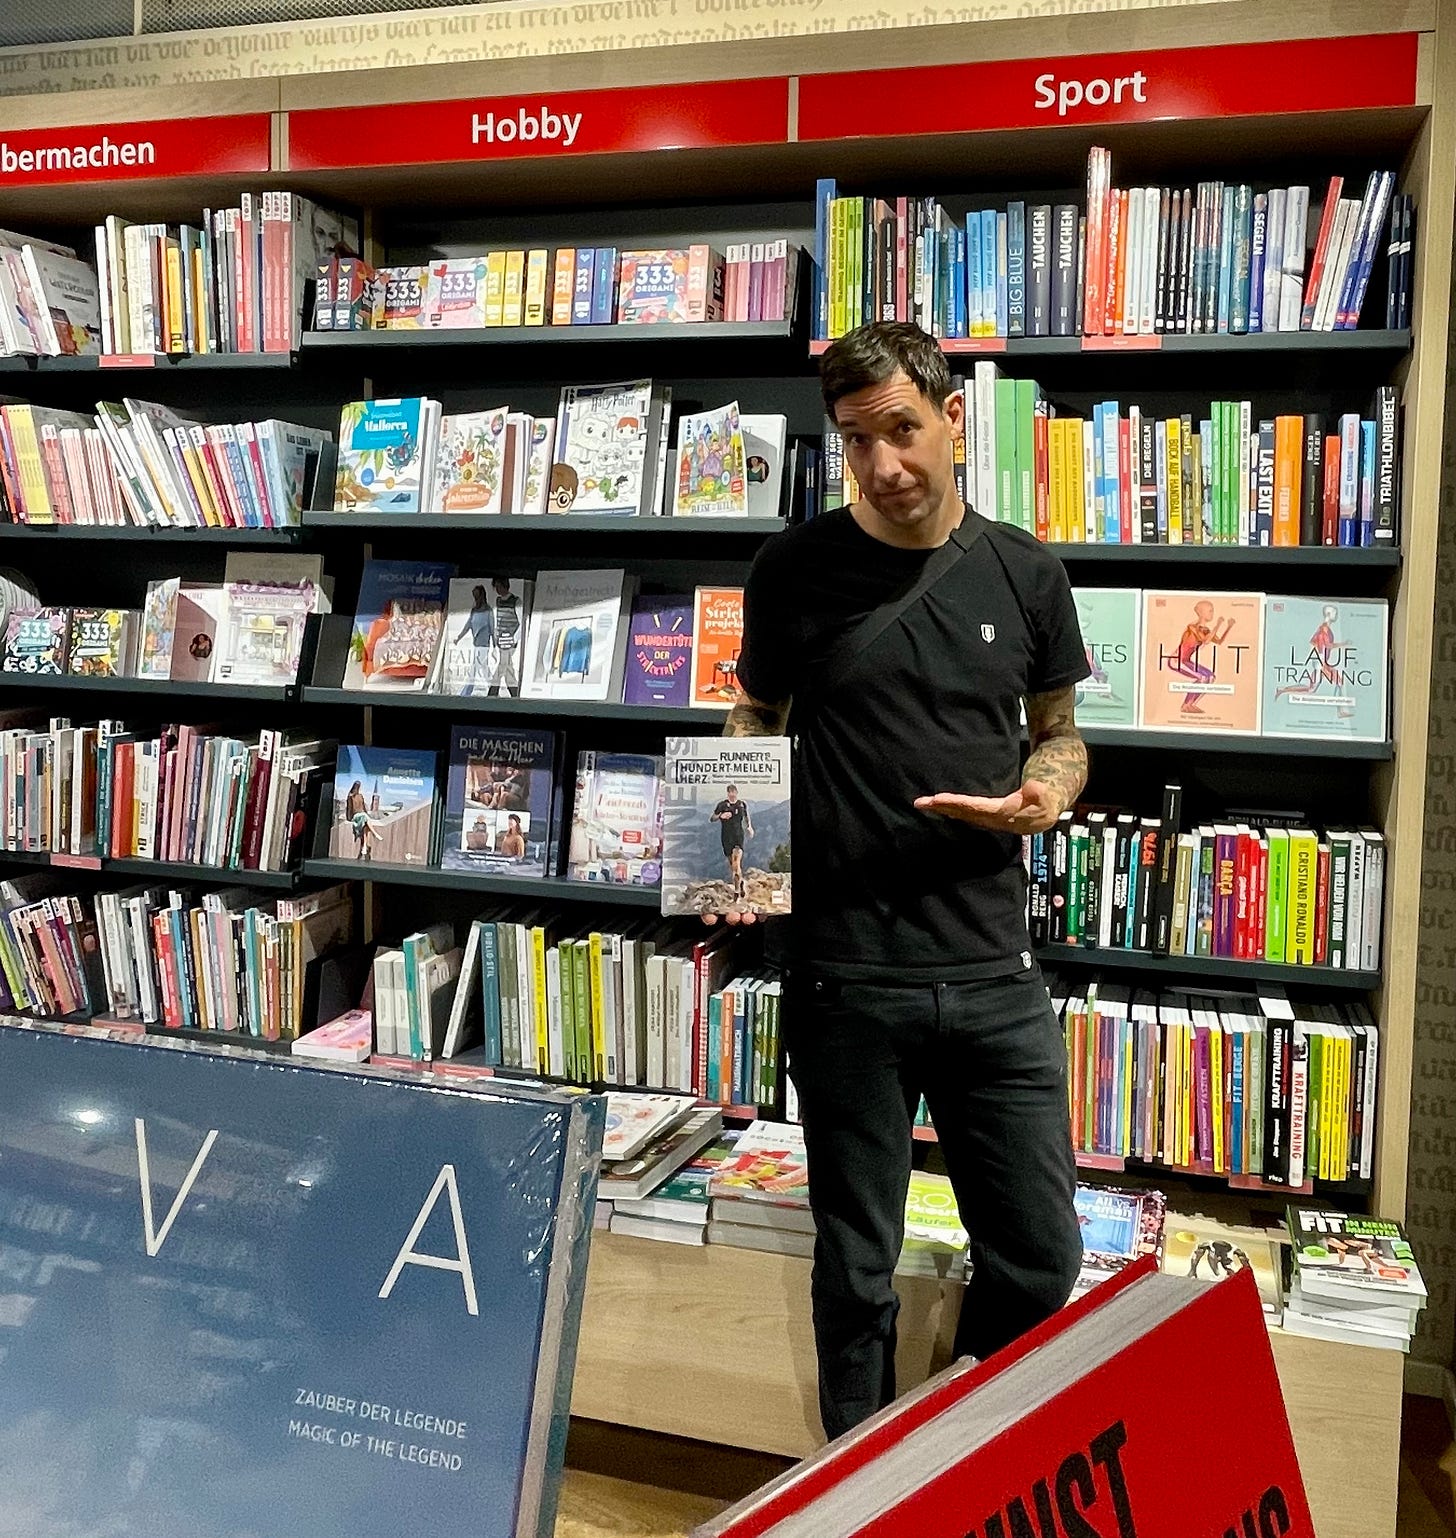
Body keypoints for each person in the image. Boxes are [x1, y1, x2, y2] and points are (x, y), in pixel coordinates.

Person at [722, 320, 1090, 1440]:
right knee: (855, 1269)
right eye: (856, 439)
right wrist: (722, 853)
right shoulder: (792, 569)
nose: (885, 465)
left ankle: (962, 1437)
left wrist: (1043, 796)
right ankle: (859, 1478)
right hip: (844, 978)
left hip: (991, 973)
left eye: (904, 430)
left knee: (1040, 1248)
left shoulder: (1026, 570)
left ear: (953, 422)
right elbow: (755, 716)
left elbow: (1061, 735)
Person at [712, 784, 754, 902]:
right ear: (728, 793)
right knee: (732, 864)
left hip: (738, 837)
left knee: (736, 864)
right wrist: (721, 816)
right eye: (730, 792)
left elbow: (746, 816)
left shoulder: (741, 804)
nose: (732, 794)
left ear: (736, 793)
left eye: (733, 792)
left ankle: (736, 891)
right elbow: (712, 818)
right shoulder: (722, 805)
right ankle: (740, 883)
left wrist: (749, 827)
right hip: (726, 837)